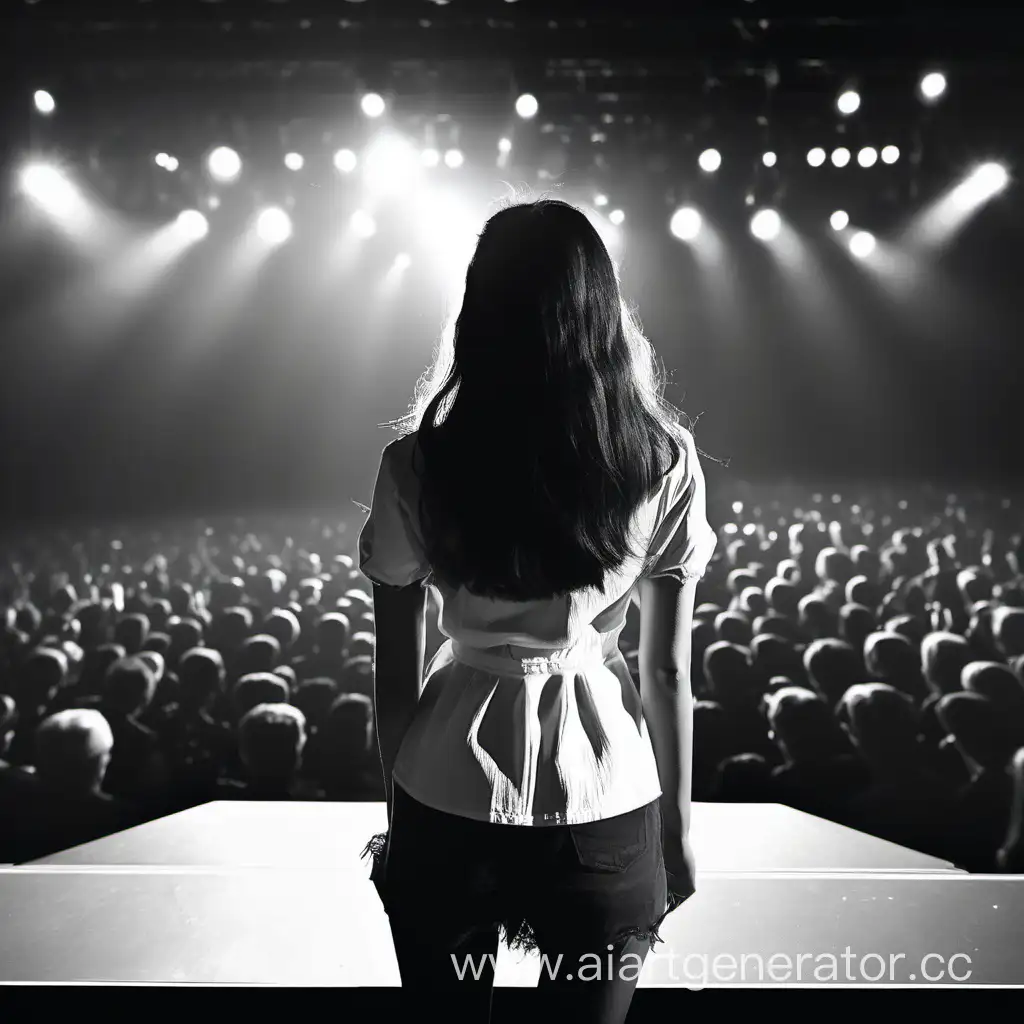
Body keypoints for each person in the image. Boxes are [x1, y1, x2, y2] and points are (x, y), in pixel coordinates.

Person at [357, 197, 717, 1021]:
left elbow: (393, 667)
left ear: (478, 308)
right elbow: (664, 670)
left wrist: (400, 815)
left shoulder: (417, 463)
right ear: (602, 308)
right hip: (607, 793)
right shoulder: (663, 459)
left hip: (442, 784)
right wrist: (679, 834)